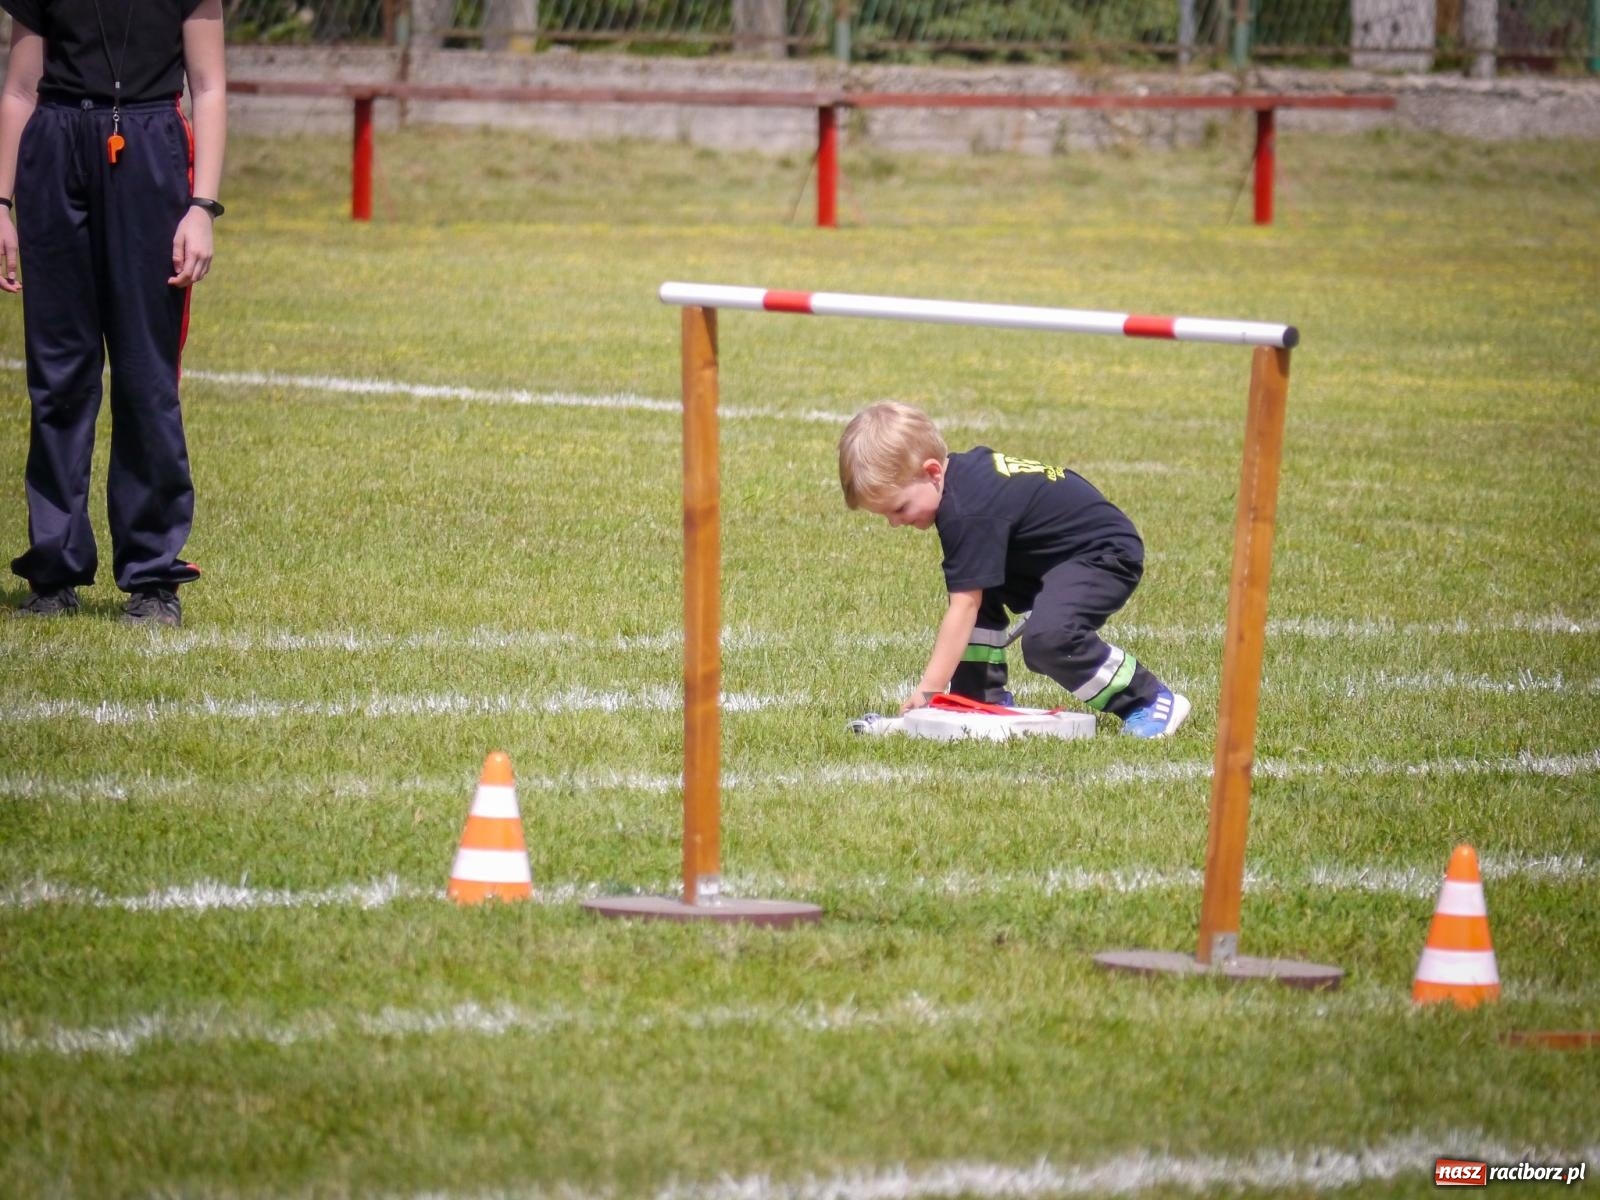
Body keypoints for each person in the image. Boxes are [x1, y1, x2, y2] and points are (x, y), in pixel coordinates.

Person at [0, 0, 226, 627]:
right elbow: (20, 88)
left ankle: (153, 577)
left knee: (145, 377)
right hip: (54, 149)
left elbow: (207, 87)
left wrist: (202, 207)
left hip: (152, 152)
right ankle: (54, 569)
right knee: (59, 377)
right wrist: (0, 200)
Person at [839, 401, 1190, 738]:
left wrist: (928, 691)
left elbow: (964, 608)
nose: (894, 523)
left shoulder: (967, 510)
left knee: (1049, 640)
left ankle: (1148, 698)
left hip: (1101, 554)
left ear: (932, 472)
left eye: (898, 509)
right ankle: (978, 695)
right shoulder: (962, 486)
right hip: (1052, 557)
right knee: (978, 581)